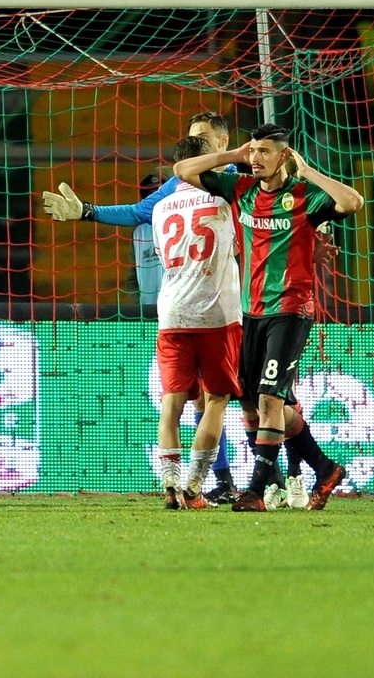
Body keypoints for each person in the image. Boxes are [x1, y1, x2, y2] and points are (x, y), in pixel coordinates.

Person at [41, 112, 242, 503]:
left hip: (186, 309)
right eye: (193, 139)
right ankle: (214, 482)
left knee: (194, 401)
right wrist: (88, 211)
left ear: (221, 142)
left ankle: (205, 482)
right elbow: (135, 212)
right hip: (222, 308)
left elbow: (140, 214)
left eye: (203, 138)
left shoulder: (232, 176)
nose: (198, 146)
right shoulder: (214, 186)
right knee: (217, 399)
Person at [175, 123, 361, 512]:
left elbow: (353, 202)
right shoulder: (240, 189)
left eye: (264, 151)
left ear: (283, 156)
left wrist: (307, 171)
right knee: (252, 403)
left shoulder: (304, 197)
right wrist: (233, 156)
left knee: (268, 398)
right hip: (250, 313)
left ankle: (257, 491)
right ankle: (324, 469)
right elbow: (183, 171)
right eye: (253, 150)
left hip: (291, 311)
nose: (256, 157)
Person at [149, 137, 242, 510]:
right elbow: (239, 247)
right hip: (218, 315)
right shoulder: (225, 200)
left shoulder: (161, 206)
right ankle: (195, 484)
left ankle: (169, 482)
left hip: (172, 313)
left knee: (172, 403)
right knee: (216, 401)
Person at [133, 170, 166, 308]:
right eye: (149, 194)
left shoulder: (186, 223)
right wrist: (136, 309)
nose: (153, 198)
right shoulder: (139, 232)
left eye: (157, 193)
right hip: (148, 313)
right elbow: (132, 277)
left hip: (180, 310)